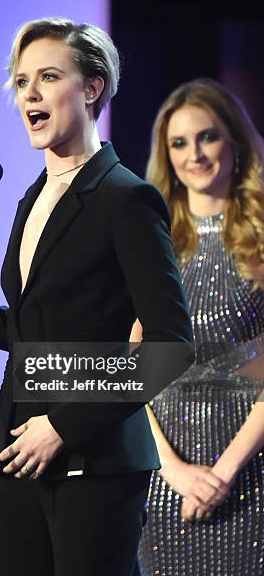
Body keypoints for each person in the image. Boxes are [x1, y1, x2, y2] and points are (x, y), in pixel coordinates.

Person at [0, 18, 192, 576]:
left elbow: (169, 345)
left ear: (91, 87)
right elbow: (28, 332)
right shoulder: (32, 196)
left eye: (48, 76)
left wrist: (62, 427)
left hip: (95, 460)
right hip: (18, 455)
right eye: (22, 81)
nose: (29, 93)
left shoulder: (127, 200)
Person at [137, 78, 264, 575]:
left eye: (208, 137)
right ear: (166, 155)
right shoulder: (148, 239)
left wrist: (224, 473)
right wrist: (172, 469)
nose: (196, 154)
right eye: (180, 143)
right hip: (164, 476)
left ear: (233, 140)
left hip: (251, 471)